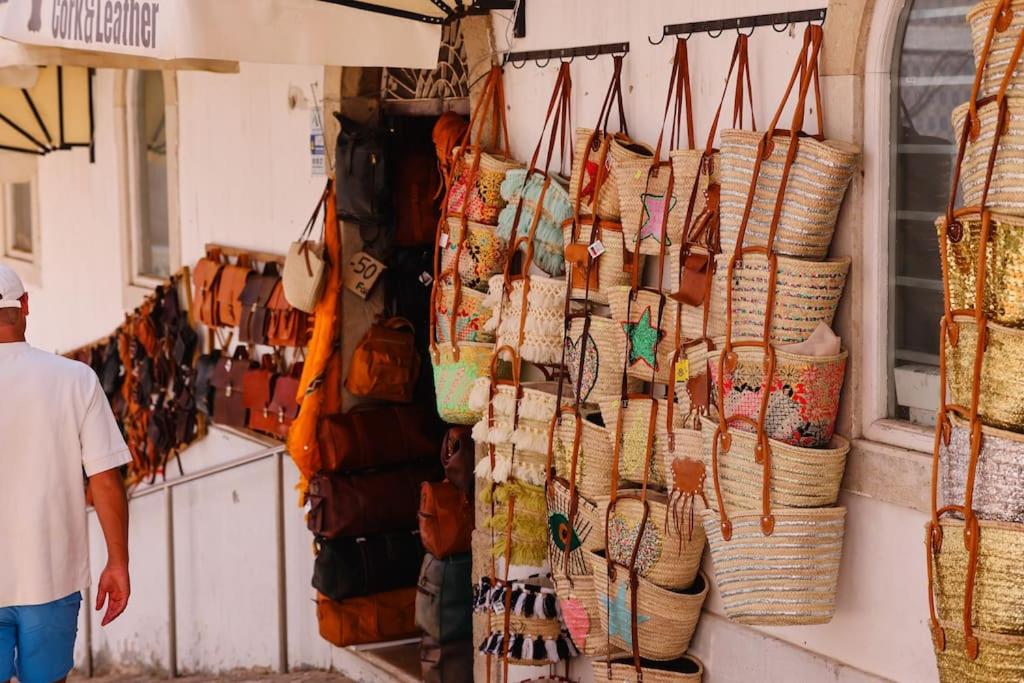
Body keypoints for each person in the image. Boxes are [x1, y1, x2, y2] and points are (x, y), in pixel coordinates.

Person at [0, 264, 131, 683]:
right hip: (52, 576)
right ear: (24, 306)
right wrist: (118, 561)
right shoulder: (76, 379)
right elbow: (105, 478)